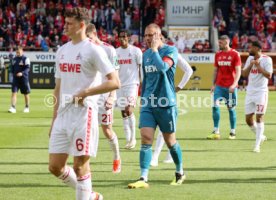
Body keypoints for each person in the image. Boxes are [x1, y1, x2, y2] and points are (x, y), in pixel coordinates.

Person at [48, 8, 120, 200]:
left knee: (80, 166)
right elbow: (58, 87)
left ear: (81, 25)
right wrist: (54, 119)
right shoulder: (62, 51)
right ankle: (91, 196)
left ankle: (85, 196)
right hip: (63, 115)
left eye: (69, 23)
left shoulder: (93, 50)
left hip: (84, 115)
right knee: (55, 167)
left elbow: (114, 82)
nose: (65, 26)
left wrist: (87, 93)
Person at [128, 23, 185, 189]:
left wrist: (154, 51)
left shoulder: (170, 51)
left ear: (159, 35)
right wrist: (141, 99)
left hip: (166, 103)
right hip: (149, 103)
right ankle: (143, 177)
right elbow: (146, 79)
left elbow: (162, 68)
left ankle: (180, 171)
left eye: (151, 35)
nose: (148, 38)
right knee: (146, 138)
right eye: (146, 35)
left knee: (170, 141)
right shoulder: (145, 55)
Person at [151, 30, 193, 167]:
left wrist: (179, 86)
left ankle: (155, 156)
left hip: (167, 95)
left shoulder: (171, 52)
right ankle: (169, 154)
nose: (152, 39)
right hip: (153, 94)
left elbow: (189, 70)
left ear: (161, 37)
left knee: (164, 127)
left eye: (155, 36)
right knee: (166, 129)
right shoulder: (149, 53)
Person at [86, 23, 121, 173]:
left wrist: (112, 96)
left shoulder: (109, 49)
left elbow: (116, 75)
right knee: (88, 128)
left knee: (107, 130)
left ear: (94, 33)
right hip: (90, 95)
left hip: (105, 94)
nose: (86, 40)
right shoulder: (85, 49)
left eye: (88, 37)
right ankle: (85, 165)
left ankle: (117, 157)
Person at [207, 35, 241, 140]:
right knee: (215, 106)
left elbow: (238, 71)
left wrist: (234, 84)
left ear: (226, 42)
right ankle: (216, 131)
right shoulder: (218, 55)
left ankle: (232, 132)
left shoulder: (235, 54)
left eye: (220, 43)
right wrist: (213, 84)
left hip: (230, 86)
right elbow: (216, 70)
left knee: (230, 109)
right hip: (219, 86)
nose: (219, 45)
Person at [242, 41, 273, 153]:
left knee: (259, 117)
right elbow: (244, 74)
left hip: (261, 92)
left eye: (251, 47)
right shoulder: (249, 59)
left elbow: (269, 75)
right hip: (250, 92)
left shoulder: (267, 59)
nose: (249, 49)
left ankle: (257, 145)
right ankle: (261, 137)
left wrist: (258, 66)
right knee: (248, 119)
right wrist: (251, 64)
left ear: (257, 48)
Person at [116, 29, 143, 149]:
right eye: (120, 37)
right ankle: (128, 139)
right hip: (119, 85)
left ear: (129, 38)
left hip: (132, 84)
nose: (122, 39)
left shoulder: (136, 51)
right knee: (123, 113)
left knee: (129, 110)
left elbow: (140, 68)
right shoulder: (115, 52)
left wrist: (143, 83)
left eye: (124, 37)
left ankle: (133, 138)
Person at [8, 46, 31, 114]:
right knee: (14, 93)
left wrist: (22, 73)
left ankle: (27, 107)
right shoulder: (14, 59)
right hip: (15, 79)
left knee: (26, 94)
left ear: (22, 51)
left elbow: (28, 68)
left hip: (24, 79)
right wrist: (12, 73)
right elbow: (12, 68)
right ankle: (13, 107)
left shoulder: (26, 59)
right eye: (17, 52)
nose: (18, 53)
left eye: (19, 52)